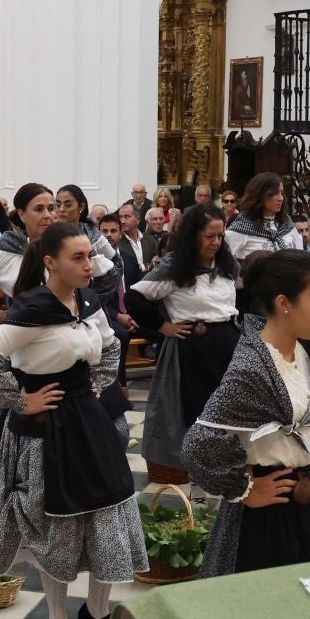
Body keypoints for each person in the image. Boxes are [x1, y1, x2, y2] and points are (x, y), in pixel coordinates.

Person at [0, 221, 146, 619]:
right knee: (59, 523)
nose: (90, 265)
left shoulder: (87, 302)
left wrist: (98, 384)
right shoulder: (30, 310)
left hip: (88, 422)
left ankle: (98, 610)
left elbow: (110, 345)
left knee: (106, 512)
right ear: (50, 262)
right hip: (46, 432)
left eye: (90, 256)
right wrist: (20, 400)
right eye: (78, 257)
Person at [184, 250, 310, 575]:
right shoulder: (252, 367)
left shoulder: (306, 347)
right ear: (284, 303)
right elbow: (199, 444)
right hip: (273, 513)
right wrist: (244, 489)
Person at [129, 203, 242, 481]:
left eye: (220, 236)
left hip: (227, 344)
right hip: (194, 348)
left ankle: (225, 468)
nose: (216, 242)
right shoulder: (175, 265)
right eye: (209, 236)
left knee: (228, 409)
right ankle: (197, 472)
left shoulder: (226, 263)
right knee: (197, 411)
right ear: (193, 235)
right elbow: (135, 298)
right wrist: (162, 326)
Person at [222, 171, 301, 264]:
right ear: (260, 196)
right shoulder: (242, 227)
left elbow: (300, 255)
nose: (280, 198)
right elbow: (223, 262)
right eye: (275, 193)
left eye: (281, 193)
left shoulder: (286, 223)